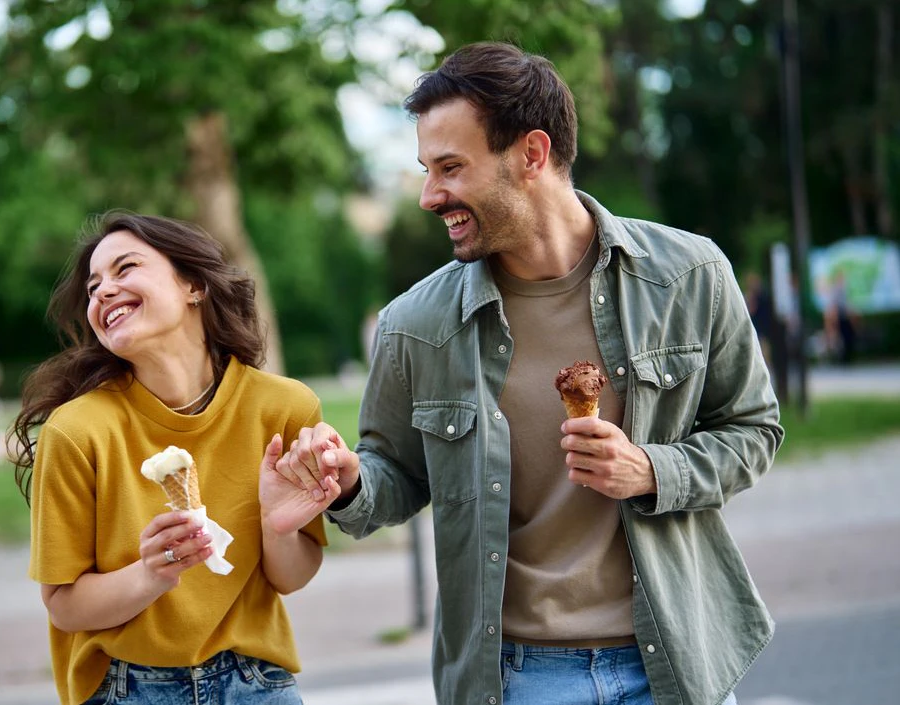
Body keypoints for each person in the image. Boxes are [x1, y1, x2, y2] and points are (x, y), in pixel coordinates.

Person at [276, 42, 783, 705]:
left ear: (532, 155)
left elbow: (753, 429)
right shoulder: (415, 323)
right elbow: (393, 476)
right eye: (427, 170)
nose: (431, 195)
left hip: (673, 667)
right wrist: (348, 482)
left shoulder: (688, 276)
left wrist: (652, 469)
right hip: (516, 679)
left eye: (451, 168)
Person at [9, 211, 340, 705]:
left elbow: (290, 578)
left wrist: (277, 526)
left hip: (257, 682)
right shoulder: (76, 432)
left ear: (193, 285)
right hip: (129, 688)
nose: (101, 291)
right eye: (94, 285)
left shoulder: (285, 408)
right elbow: (64, 606)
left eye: (125, 268)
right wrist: (151, 573)